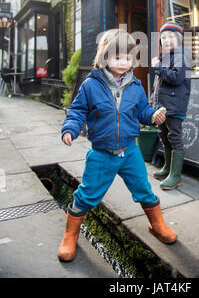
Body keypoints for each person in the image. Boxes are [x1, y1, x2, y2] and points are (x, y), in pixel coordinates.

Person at [57, 29, 177, 262]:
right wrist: (70, 129)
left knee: (144, 189)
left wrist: (153, 115)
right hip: (101, 154)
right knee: (87, 195)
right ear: (104, 57)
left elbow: (141, 111)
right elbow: (77, 111)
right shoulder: (90, 85)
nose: (124, 63)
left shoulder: (135, 86)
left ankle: (157, 225)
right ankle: (70, 235)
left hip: (130, 151)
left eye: (128, 58)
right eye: (117, 57)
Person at [151, 21, 191, 190]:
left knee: (175, 138)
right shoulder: (166, 57)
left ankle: (175, 176)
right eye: (163, 37)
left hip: (174, 107)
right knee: (164, 135)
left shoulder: (182, 56)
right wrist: (153, 103)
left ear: (180, 39)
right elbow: (159, 85)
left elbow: (176, 78)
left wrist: (158, 67)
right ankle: (168, 168)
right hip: (164, 106)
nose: (166, 40)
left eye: (171, 37)